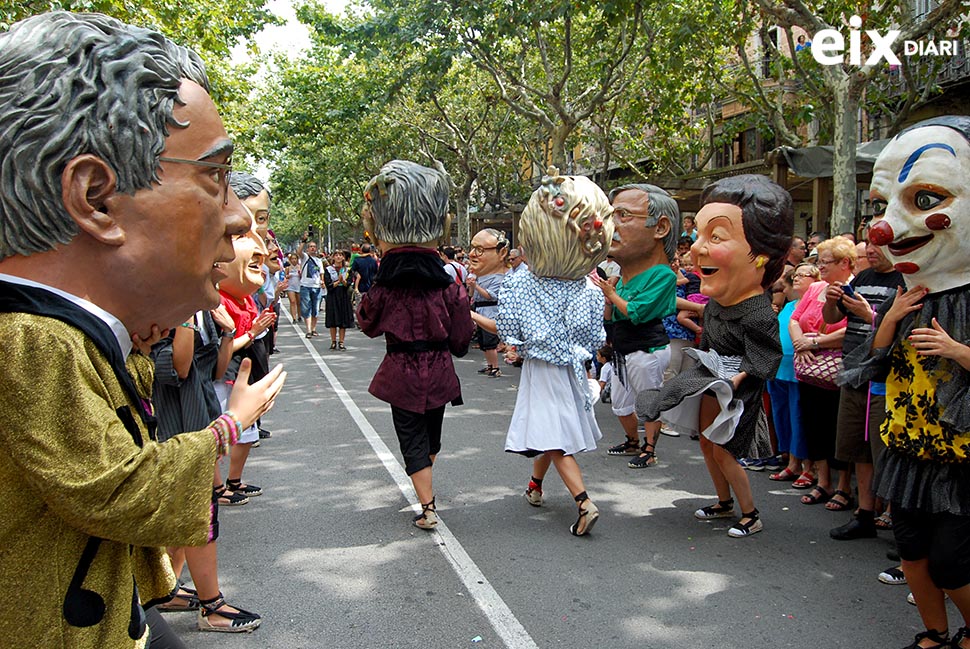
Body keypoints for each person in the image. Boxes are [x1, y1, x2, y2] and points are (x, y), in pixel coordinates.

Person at [0, 12, 285, 646]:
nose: (238, 217)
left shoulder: (67, 332)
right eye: (214, 177)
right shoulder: (32, 340)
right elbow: (110, 485)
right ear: (96, 197)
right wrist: (228, 425)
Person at [841, 115, 970, 649]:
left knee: (952, 558)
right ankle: (935, 633)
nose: (883, 228)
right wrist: (888, 323)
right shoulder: (908, 296)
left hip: (960, 454)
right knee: (912, 550)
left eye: (924, 199)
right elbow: (868, 368)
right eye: (880, 205)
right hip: (907, 445)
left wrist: (959, 351)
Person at [636, 174, 794, 538]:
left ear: (761, 257)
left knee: (723, 451)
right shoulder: (720, 305)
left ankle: (750, 513)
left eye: (716, 237)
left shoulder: (757, 312)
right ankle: (723, 503)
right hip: (711, 381)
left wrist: (736, 379)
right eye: (700, 236)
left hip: (738, 390)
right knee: (707, 444)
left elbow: (765, 359)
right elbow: (709, 341)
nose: (697, 249)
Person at [471, 170, 614, 536]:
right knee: (547, 430)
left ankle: (583, 501)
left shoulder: (521, 282)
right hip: (573, 369)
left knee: (553, 437)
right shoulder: (589, 288)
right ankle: (535, 485)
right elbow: (594, 336)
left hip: (542, 369)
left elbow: (508, 330)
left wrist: (515, 346)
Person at [357, 160, 475, 530]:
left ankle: (428, 507)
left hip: (402, 373)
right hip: (439, 371)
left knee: (412, 439)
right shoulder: (451, 288)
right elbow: (460, 341)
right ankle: (426, 494)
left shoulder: (385, 289)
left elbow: (368, 325)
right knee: (430, 439)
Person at [150, 306, 262, 632]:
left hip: (198, 411)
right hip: (173, 418)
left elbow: (214, 370)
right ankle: (211, 606)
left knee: (193, 510)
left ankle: (167, 587)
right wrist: (185, 306)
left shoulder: (203, 308)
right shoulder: (174, 301)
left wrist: (228, 332)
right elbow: (179, 367)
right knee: (194, 511)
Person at [589, 184, 678, 467]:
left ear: (660, 227)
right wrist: (609, 298)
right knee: (620, 401)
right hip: (623, 349)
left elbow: (636, 312)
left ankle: (649, 450)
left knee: (647, 402)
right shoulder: (624, 276)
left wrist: (611, 295)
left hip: (646, 347)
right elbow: (612, 316)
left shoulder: (662, 275)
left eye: (622, 215)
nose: (608, 225)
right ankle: (632, 441)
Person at [826, 234, 903, 540]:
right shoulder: (861, 279)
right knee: (858, 449)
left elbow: (902, 330)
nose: (870, 250)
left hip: (886, 380)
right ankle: (864, 514)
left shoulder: (905, 281)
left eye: (877, 244)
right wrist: (831, 302)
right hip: (853, 374)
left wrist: (867, 315)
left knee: (887, 452)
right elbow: (832, 319)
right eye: (868, 243)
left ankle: (899, 521)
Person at [790, 237, 854, 510]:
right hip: (808, 369)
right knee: (813, 424)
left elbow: (853, 329)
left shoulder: (854, 288)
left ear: (844, 263)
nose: (820, 266)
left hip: (837, 370)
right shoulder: (815, 287)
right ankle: (823, 481)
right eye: (819, 261)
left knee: (838, 428)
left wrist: (814, 342)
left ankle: (844, 486)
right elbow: (795, 318)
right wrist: (800, 343)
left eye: (825, 262)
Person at [768, 263, 819, 485]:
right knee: (783, 416)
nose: (796, 278)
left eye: (802, 275)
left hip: (802, 369)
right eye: (795, 275)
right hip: (779, 367)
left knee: (800, 417)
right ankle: (791, 463)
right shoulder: (789, 305)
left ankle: (809, 466)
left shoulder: (817, 304)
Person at [467, 228, 510, 377]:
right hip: (480, 311)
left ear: (502, 253)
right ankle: (490, 365)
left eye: (480, 250)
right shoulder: (479, 276)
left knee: (490, 342)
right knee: (484, 343)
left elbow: (489, 296)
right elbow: (473, 295)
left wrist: (475, 285)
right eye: (472, 248)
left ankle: (495, 367)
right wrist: (471, 286)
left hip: (490, 312)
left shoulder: (499, 278)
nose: (472, 254)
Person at [323, 251, 354, 350]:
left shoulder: (347, 270)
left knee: (342, 320)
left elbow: (348, 284)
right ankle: (333, 341)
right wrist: (338, 282)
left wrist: (343, 281)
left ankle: (341, 341)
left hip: (343, 296)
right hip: (333, 296)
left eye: (340, 255)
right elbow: (328, 285)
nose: (338, 257)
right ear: (333, 257)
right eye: (336, 255)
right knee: (332, 320)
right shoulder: (328, 270)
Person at [296, 233, 323, 337]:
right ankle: (308, 330)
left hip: (316, 287)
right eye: (311, 247)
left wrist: (322, 282)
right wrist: (303, 241)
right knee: (306, 308)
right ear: (307, 249)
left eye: (314, 247)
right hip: (305, 286)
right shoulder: (305, 257)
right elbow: (299, 252)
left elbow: (321, 273)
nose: (313, 248)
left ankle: (313, 328)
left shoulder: (319, 260)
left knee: (315, 309)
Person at [285, 251, 302, 321]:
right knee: (292, 301)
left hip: (299, 285)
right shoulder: (288, 268)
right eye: (292, 259)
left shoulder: (300, 267)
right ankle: (294, 317)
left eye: (295, 258)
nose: (294, 260)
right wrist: (287, 276)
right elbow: (285, 277)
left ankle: (299, 316)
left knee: (299, 302)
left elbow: (303, 277)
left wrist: (300, 273)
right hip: (290, 286)